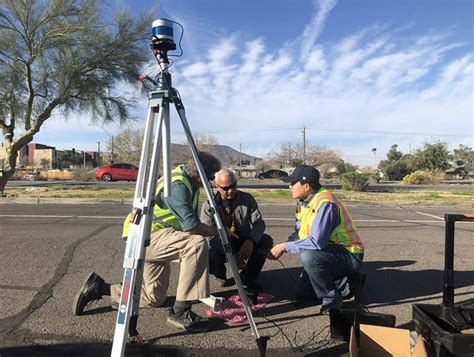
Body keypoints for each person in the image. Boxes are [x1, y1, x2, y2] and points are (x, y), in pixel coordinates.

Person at [72, 152, 222, 333]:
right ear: (200, 175)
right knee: (195, 244)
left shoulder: (187, 181)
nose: (211, 181)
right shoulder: (178, 185)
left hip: (159, 236)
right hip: (146, 236)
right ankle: (181, 312)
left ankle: (99, 288)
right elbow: (191, 227)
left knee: (153, 299)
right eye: (211, 177)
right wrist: (219, 233)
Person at [267, 164, 365, 315]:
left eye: (293, 183)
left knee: (308, 257)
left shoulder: (325, 203)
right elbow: (299, 233)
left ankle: (332, 299)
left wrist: (284, 247)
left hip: (349, 253)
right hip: (328, 251)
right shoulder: (303, 203)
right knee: (303, 293)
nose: (290, 186)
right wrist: (279, 247)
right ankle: (345, 285)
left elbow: (316, 242)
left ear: (306, 186)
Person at [200, 168, 273, 303]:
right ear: (217, 187)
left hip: (243, 240)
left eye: (233, 185)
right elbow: (207, 234)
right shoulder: (209, 205)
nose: (230, 190)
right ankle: (220, 273)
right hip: (220, 244)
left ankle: (248, 278)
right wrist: (233, 256)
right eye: (226, 188)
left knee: (266, 241)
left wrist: (251, 241)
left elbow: (259, 224)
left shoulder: (247, 199)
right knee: (206, 253)